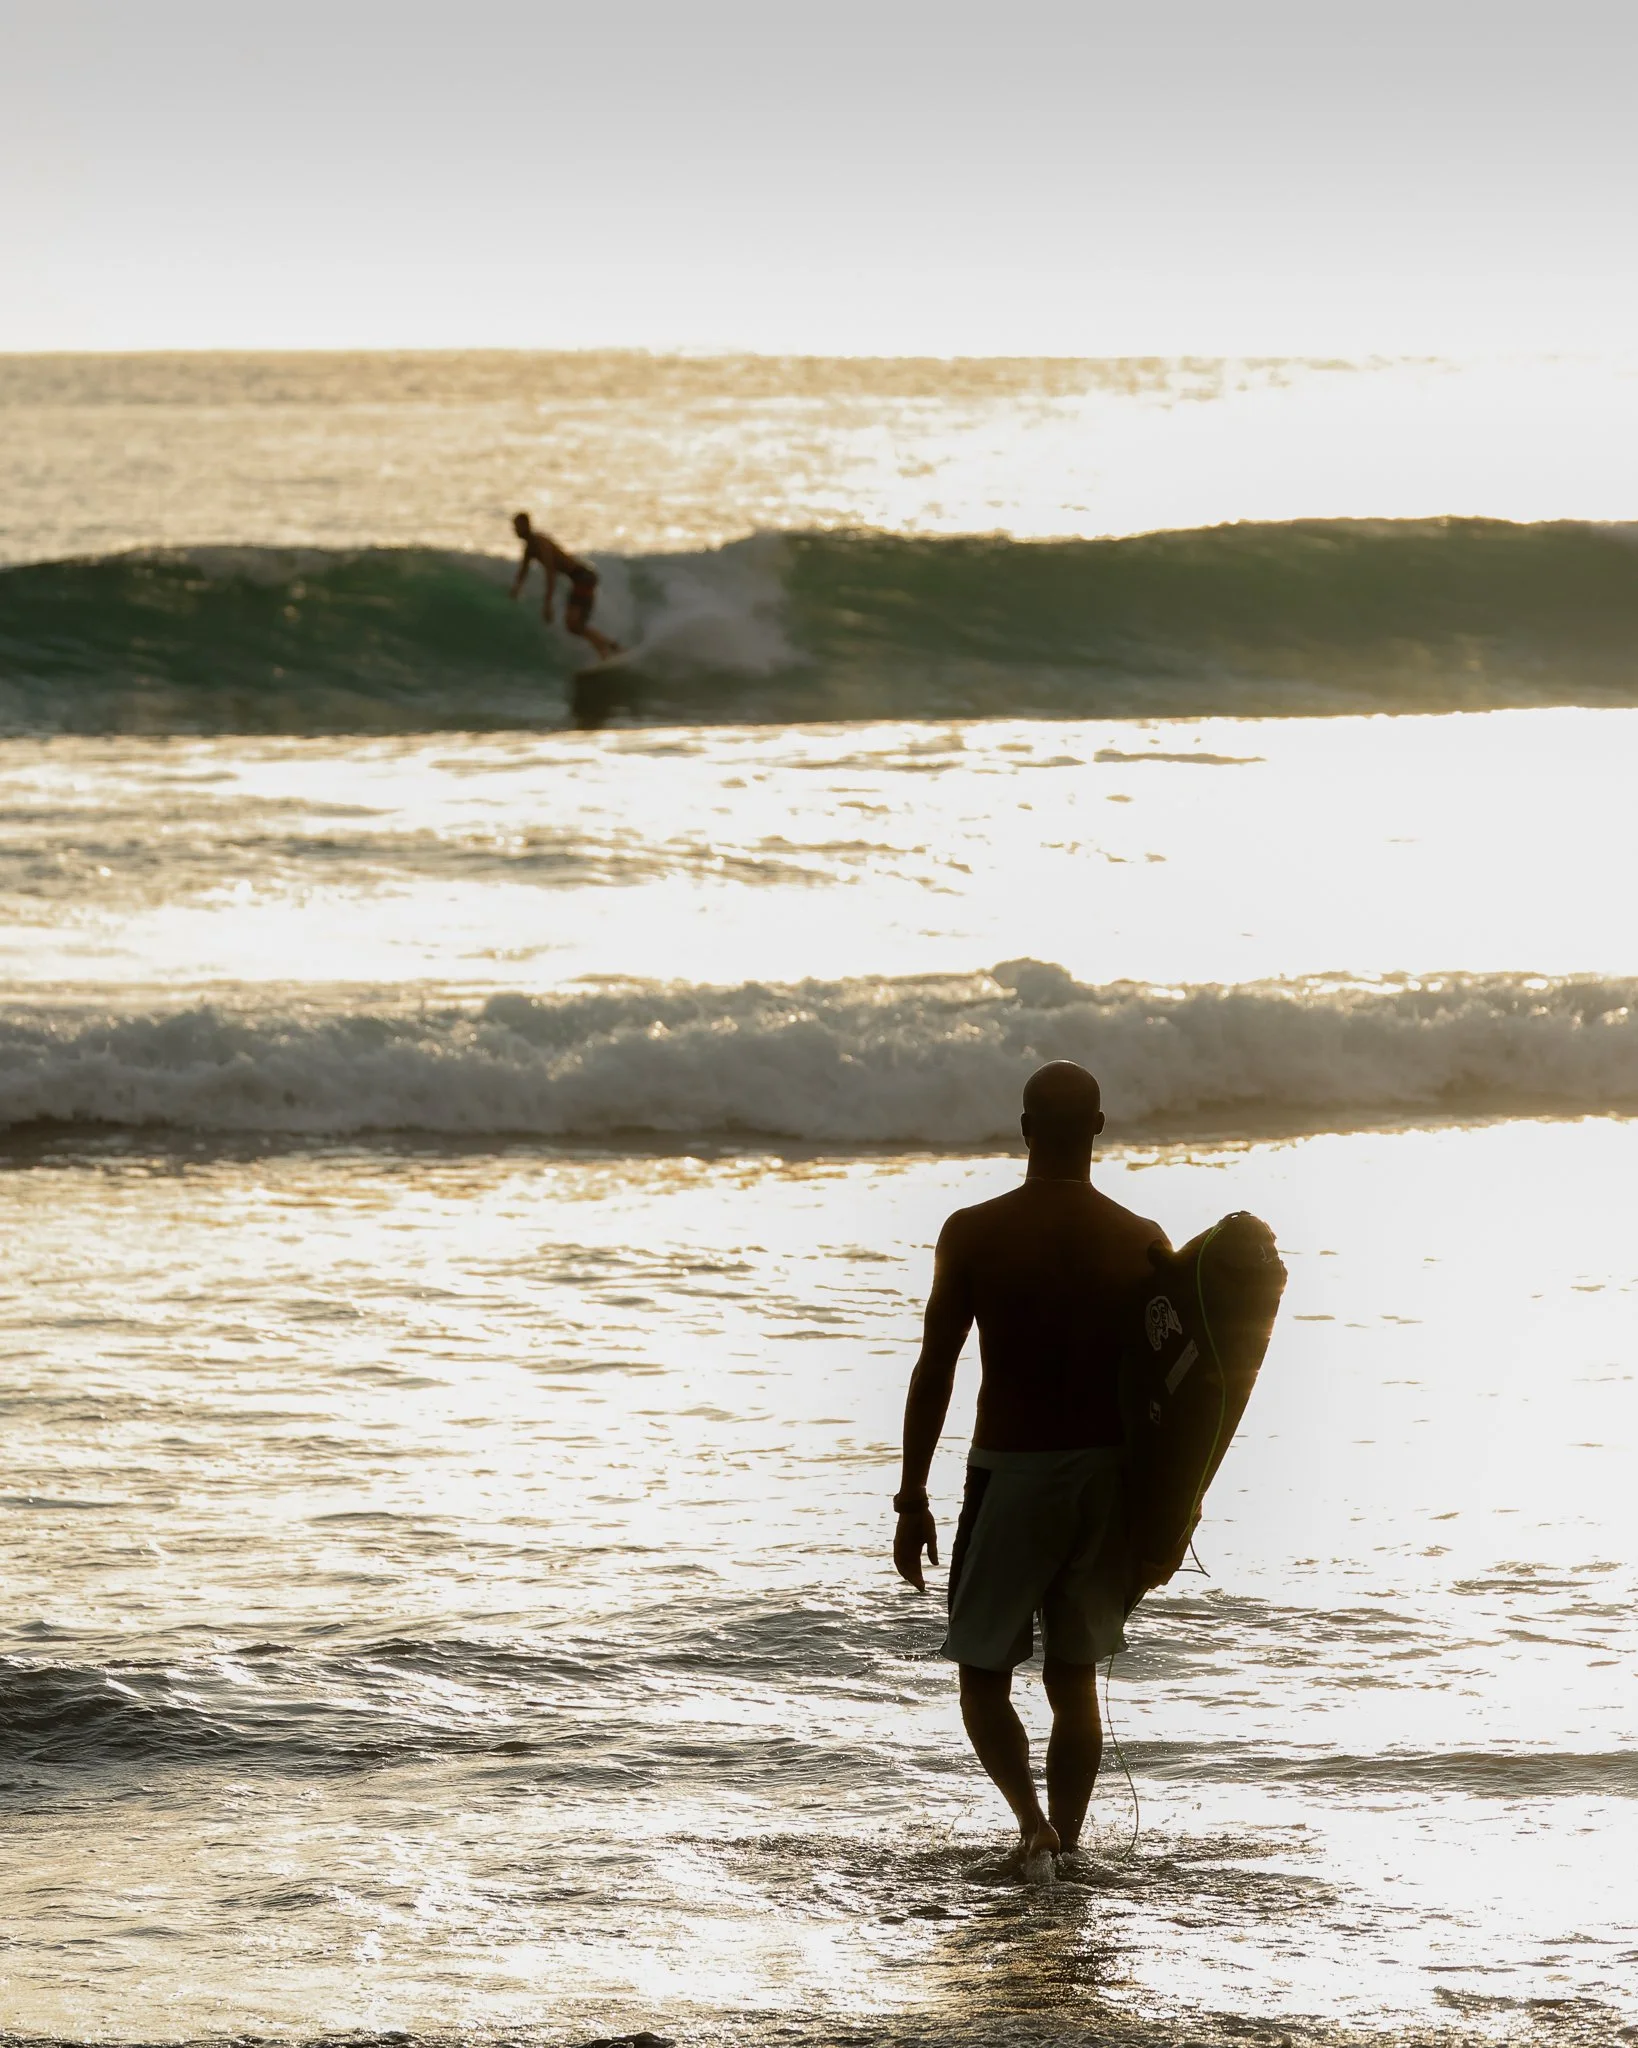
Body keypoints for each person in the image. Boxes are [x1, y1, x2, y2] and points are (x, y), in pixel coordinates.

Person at [892, 1060, 1167, 1878]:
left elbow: (936, 1365)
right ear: (1098, 1127)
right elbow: (1176, 1401)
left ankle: (1031, 1825)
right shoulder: (1141, 1239)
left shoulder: (974, 1231)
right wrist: (1164, 1518)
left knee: (983, 1673)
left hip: (1008, 1473)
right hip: (1104, 1480)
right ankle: (1072, 1845)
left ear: (1022, 1128)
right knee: (1074, 1678)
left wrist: (912, 1497)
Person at [509, 511, 621, 662]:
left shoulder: (540, 543)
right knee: (574, 626)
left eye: (517, 527)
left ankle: (608, 652)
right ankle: (611, 649)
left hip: (583, 577)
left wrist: (547, 605)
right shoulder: (530, 548)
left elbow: (551, 573)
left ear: (526, 525)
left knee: (574, 624)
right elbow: (523, 570)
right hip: (579, 579)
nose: (514, 530)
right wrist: (516, 587)